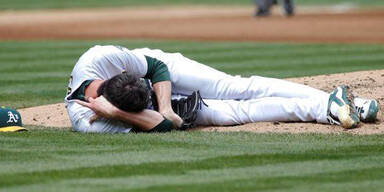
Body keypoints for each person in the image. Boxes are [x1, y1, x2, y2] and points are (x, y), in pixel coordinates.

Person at [65, 45, 379, 133]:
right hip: (150, 108)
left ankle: (339, 99)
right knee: (238, 113)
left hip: (164, 74)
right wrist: (120, 112)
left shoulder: (99, 58)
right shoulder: (88, 121)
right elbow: (160, 127)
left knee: (237, 88)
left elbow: (157, 69)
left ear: (118, 75)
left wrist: (164, 107)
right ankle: (327, 109)